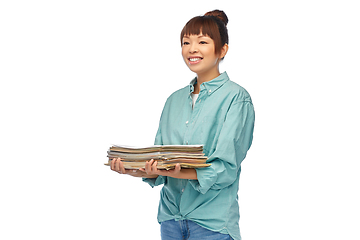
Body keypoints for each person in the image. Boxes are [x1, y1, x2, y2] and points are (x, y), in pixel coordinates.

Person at [111, 9, 255, 240]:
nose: (192, 49)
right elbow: (160, 161)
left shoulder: (236, 98)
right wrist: (133, 169)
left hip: (212, 225)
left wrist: (180, 172)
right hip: (170, 221)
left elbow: (226, 169)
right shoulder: (173, 100)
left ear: (222, 50)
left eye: (202, 42)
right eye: (186, 42)